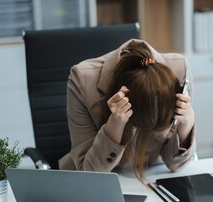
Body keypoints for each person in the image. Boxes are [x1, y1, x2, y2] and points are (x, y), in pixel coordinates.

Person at [59, 39, 196, 180]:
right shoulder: (82, 79)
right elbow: (89, 173)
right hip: (103, 179)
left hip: (153, 174)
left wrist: (187, 122)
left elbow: (176, 165)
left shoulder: (180, 71)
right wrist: (115, 124)